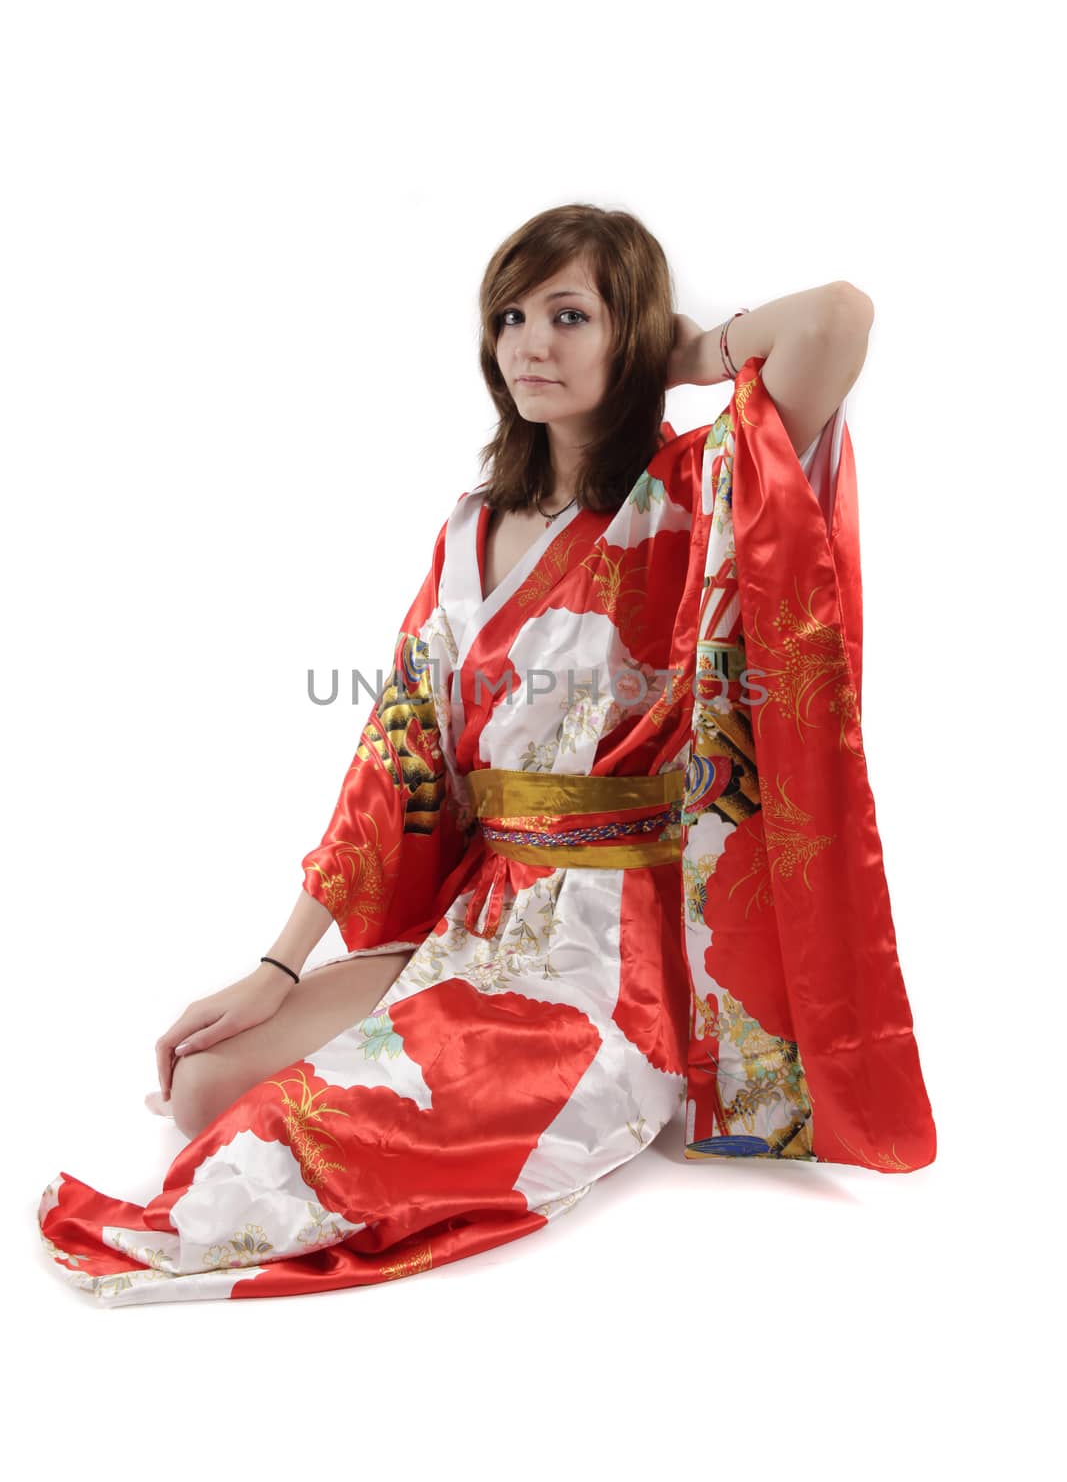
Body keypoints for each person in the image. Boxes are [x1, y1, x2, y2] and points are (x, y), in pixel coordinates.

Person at [38, 203, 936, 1306]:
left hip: (613, 952)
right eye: (510, 316)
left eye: (570, 315)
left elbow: (836, 321)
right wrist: (276, 966)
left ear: (630, 332)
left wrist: (690, 351)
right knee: (205, 1083)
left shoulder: (691, 493)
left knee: (282, 1136)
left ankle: (601, 1082)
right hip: (485, 909)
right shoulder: (472, 525)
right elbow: (396, 758)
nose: (530, 343)